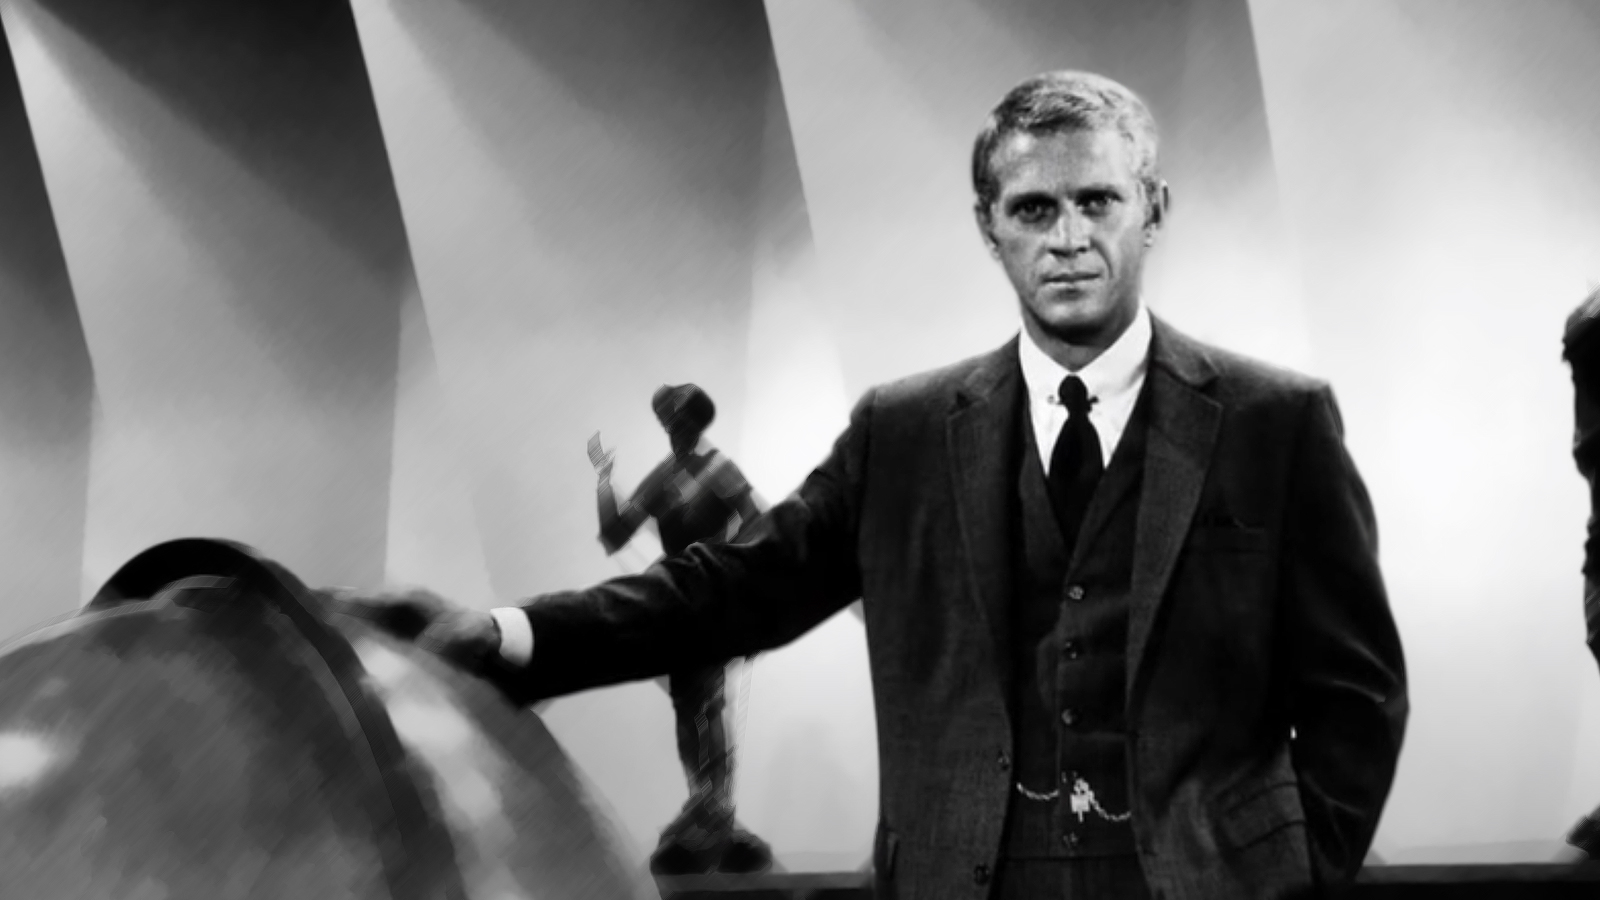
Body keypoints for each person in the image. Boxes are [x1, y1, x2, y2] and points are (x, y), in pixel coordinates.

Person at [356, 70, 1408, 899]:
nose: (1069, 238)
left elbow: (1357, 689)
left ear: (1154, 208)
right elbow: (735, 588)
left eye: (1098, 200)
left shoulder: (1277, 420)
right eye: (1034, 208)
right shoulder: (900, 432)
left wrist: (1296, 866)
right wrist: (511, 636)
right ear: (988, 226)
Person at [587, 383, 773, 875]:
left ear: (695, 420)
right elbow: (614, 534)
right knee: (688, 703)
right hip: (676, 601)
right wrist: (605, 479)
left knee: (709, 700)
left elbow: (758, 520)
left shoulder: (719, 470)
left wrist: (722, 562)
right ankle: (703, 802)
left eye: (680, 417)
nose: (673, 425)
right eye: (668, 418)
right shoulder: (662, 478)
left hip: (713, 594)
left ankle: (718, 807)